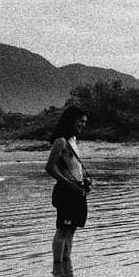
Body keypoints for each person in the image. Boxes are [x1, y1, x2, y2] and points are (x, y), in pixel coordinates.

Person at [46, 106, 91, 263]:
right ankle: (58, 266)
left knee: (71, 230)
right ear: (71, 120)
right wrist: (68, 184)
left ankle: (65, 269)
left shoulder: (72, 140)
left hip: (76, 190)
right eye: (81, 121)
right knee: (62, 230)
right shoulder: (61, 141)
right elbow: (50, 168)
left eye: (85, 122)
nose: (83, 125)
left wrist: (84, 180)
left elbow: (73, 167)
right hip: (66, 192)